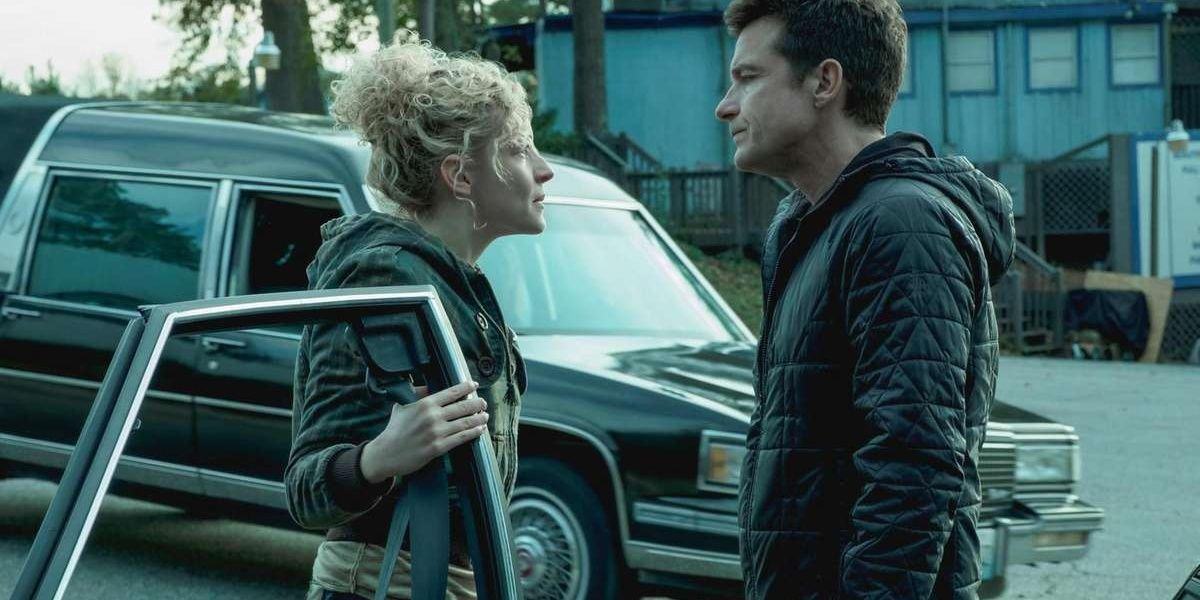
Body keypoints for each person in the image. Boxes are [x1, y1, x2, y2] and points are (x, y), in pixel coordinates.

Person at [714, 0, 1016, 597]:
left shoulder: (902, 224)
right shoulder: (804, 225)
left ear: (825, 81)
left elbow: (915, 462)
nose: (726, 106)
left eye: (748, 78)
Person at [284, 36, 554, 600]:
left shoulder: (453, 284)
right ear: (460, 177)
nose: (544, 170)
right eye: (519, 151)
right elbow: (306, 490)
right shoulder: (386, 278)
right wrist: (379, 457)